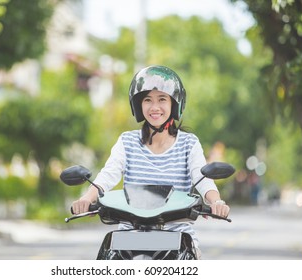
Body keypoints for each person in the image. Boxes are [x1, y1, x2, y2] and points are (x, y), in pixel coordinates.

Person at [71, 65, 230, 256]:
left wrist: (216, 201)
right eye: (148, 100)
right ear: (139, 106)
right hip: (127, 240)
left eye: (162, 99)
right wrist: (87, 198)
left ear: (174, 104)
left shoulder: (189, 144)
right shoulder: (127, 141)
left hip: (177, 240)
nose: (154, 107)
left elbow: (203, 178)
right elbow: (109, 174)